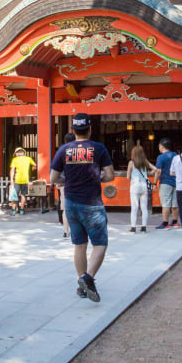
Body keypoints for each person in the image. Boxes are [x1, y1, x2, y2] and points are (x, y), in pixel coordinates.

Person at [50, 113, 115, 302]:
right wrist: (97, 178)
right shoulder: (98, 148)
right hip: (92, 202)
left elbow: (53, 178)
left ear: (73, 131)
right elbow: (110, 175)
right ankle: (88, 277)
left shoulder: (63, 150)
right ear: (89, 129)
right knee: (100, 243)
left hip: (70, 202)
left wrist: (67, 181)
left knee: (79, 245)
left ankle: (82, 285)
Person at [126, 142, 158, 233]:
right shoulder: (145, 161)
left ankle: (133, 227)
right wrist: (149, 174)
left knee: (134, 207)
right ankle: (144, 227)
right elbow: (155, 169)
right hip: (144, 185)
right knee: (144, 207)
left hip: (135, 185)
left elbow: (128, 177)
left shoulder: (131, 163)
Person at [154, 138, 178, 229]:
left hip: (165, 182)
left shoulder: (161, 157)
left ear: (161, 146)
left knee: (166, 203)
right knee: (175, 203)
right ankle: (175, 222)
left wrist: (155, 183)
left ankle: (165, 223)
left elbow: (158, 171)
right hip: (176, 182)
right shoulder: (176, 155)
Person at [8, 147, 36, 215]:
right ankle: (22, 210)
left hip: (17, 180)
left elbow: (12, 170)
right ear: (23, 153)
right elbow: (35, 165)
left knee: (14, 195)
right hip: (25, 180)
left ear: (17, 153)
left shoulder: (14, 160)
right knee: (23, 195)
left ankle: (14, 210)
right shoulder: (28, 159)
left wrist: (11, 180)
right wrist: (32, 169)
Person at [57, 132, 74, 239]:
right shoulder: (78, 151)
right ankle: (75, 230)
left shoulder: (61, 151)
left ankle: (65, 231)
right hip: (75, 183)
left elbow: (56, 168)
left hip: (63, 183)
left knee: (65, 208)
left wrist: (57, 182)